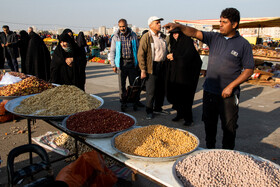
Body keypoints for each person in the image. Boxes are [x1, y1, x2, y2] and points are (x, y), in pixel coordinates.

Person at [164, 8, 254, 149]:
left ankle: (227, 156)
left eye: (224, 22)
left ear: (235, 24)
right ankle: (209, 151)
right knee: (209, 125)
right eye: (220, 21)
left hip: (228, 95)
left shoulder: (243, 44)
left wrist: (231, 86)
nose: (221, 25)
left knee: (229, 128)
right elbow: (194, 32)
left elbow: (248, 70)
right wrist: (180, 27)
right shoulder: (214, 38)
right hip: (210, 92)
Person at [166, 28, 202, 126]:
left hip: (186, 77)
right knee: (176, 96)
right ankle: (179, 114)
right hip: (176, 75)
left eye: (176, 33)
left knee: (186, 97)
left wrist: (175, 56)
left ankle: (188, 119)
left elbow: (189, 57)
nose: (174, 35)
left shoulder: (187, 42)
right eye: (173, 34)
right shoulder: (175, 43)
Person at [138, 16, 169, 120]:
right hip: (152, 66)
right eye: (157, 23)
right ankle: (149, 110)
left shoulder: (162, 37)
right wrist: (143, 69)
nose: (159, 24)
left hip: (162, 65)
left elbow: (165, 50)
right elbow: (141, 54)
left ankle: (158, 108)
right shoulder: (146, 37)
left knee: (161, 89)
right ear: (150, 24)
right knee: (151, 90)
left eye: (159, 23)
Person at [110, 19, 143, 112]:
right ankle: (123, 102)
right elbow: (112, 51)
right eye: (120, 27)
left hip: (132, 64)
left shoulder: (133, 35)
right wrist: (113, 64)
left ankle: (135, 101)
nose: (122, 28)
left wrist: (139, 63)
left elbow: (137, 49)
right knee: (122, 85)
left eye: (123, 26)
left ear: (127, 25)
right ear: (118, 26)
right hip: (122, 64)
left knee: (134, 85)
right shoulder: (115, 37)